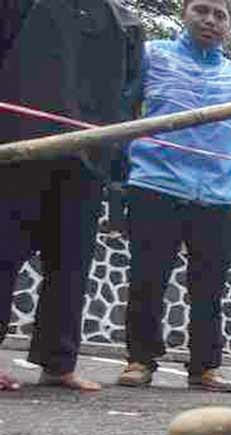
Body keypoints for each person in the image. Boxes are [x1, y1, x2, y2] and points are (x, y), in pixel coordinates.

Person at [0, 0, 142, 392]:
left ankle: (58, 363)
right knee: (3, 251)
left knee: (71, 260)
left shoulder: (126, 22)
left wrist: (111, 154)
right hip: (20, 145)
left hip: (88, 154)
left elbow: (128, 93)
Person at [117, 0, 231, 393]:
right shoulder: (151, 56)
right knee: (147, 278)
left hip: (216, 195)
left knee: (210, 286)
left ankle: (205, 368)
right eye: (201, 10)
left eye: (220, 14)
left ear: (230, 24)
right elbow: (127, 108)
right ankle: (140, 360)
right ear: (184, 12)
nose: (210, 20)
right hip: (154, 183)